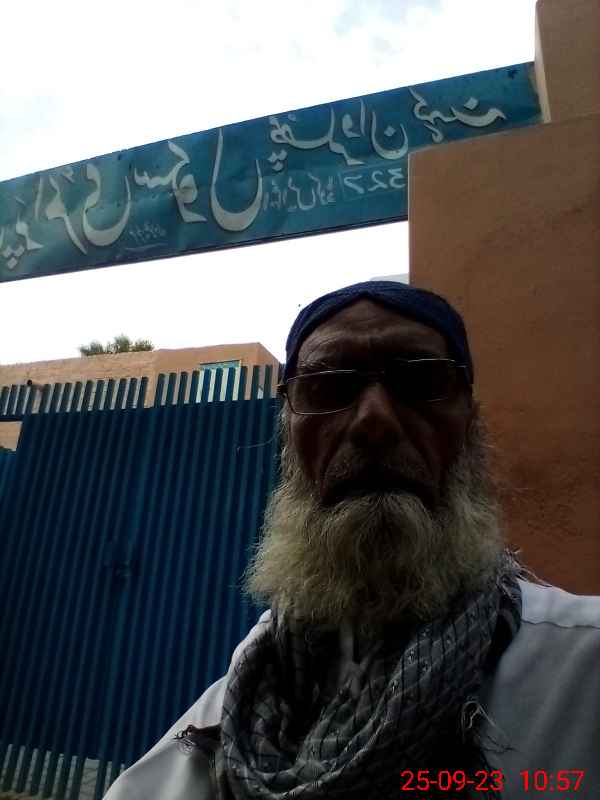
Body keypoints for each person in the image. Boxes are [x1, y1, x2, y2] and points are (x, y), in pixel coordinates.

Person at [104, 281, 600, 800]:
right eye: (327, 389)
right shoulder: (257, 676)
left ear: (469, 423)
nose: (374, 420)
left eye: (420, 381)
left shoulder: (581, 668)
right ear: (288, 431)